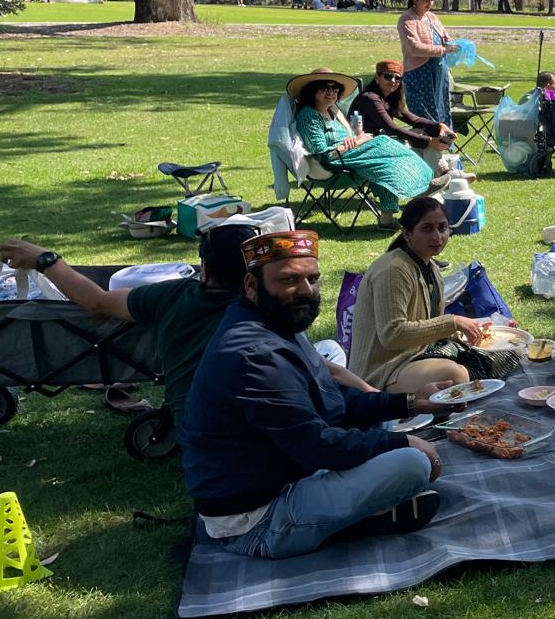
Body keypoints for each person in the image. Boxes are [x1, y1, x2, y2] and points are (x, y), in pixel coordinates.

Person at [181, 231, 449, 559]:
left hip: (286, 469)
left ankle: (364, 512)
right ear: (251, 285)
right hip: (257, 518)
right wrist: (405, 443)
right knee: (412, 464)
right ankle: (352, 522)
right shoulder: (257, 355)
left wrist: (409, 402)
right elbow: (318, 447)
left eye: (313, 279)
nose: (307, 291)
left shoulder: (273, 322)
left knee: (379, 429)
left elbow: (332, 399)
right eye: (289, 280)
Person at [0, 224, 376, 429]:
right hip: (248, 429)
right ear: (253, 277)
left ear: (205, 269)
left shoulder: (170, 295)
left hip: (191, 425)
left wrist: (46, 260)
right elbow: (323, 370)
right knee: (328, 350)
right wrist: (377, 397)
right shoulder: (264, 310)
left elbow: (95, 300)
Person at [349, 197, 512, 394]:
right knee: (454, 376)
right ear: (407, 233)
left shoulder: (429, 266)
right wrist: (452, 322)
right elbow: (392, 335)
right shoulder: (394, 270)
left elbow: (427, 325)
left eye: (442, 228)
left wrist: (472, 330)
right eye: (427, 229)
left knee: (506, 350)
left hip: (417, 355)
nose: (437, 236)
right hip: (382, 372)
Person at [290, 68, 435, 228]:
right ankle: (425, 187)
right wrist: (357, 142)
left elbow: (349, 136)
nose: (331, 92)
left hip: (350, 155)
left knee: (386, 160)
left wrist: (358, 137)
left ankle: (388, 218)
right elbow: (323, 155)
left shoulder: (332, 111)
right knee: (384, 146)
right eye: (324, 88)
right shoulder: (309, 115)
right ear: (312, 91)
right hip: (334, 164)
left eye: (335, 88)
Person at [352, 60, 457, 173]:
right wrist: (429, 141)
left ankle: (445, 172)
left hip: (381, 142)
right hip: (366, 147)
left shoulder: (390, 99)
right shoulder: (370, 98)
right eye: (388, 76)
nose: (393, 81)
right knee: (422, 140)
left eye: (397, 78)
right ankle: (446, 173)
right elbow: (391, 128)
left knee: (421, 133)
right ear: (377, 78)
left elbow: (415, 120)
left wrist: (439, 126)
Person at [399, 0, 460, 124]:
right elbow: (414, 48)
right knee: (424, 115)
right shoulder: (406, 19)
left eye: (432, 0)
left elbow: (445, 37)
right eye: (425, 0)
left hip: (439, 73)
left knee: (442, 110)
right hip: (419, 74)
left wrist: (454, 44)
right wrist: (443, 50)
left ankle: (445, 137)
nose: (430, 3)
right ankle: (427, 138)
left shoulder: (432, 17)